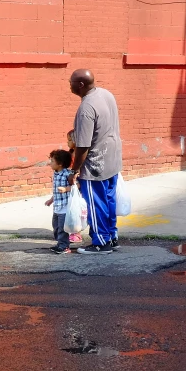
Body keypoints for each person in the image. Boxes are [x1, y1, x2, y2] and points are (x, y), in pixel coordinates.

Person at [67, 69, 122, 254]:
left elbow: (83, 146)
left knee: (96, 203)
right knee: (109, 200)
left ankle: (100, 242)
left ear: (80, 85)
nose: (69, 85)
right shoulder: (106, 94)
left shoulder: (86, 109)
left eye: (71, 82)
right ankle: (112, 237)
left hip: (95, 166)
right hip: (112, 160)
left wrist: (74, 171)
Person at [44, 149, 73, 254]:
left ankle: (64, 246)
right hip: (57, 206)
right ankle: (60, 244)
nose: (50, 163)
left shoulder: (68, 174)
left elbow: (77, 186)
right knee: (55, 227)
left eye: (52, 161)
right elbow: (56, 191)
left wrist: (66, 189)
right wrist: (51, 200)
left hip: (65, 207)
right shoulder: (55, 174)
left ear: (60, 163)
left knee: (62, 228)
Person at [65, 130, 83, 245]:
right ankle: (72, 232)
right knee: (71, 209)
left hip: (78, 185)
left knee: (77, 209)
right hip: (71, 185)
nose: (67, 143)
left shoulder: (80, 154)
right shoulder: (70, 154)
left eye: (70, 140)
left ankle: (76, 233)